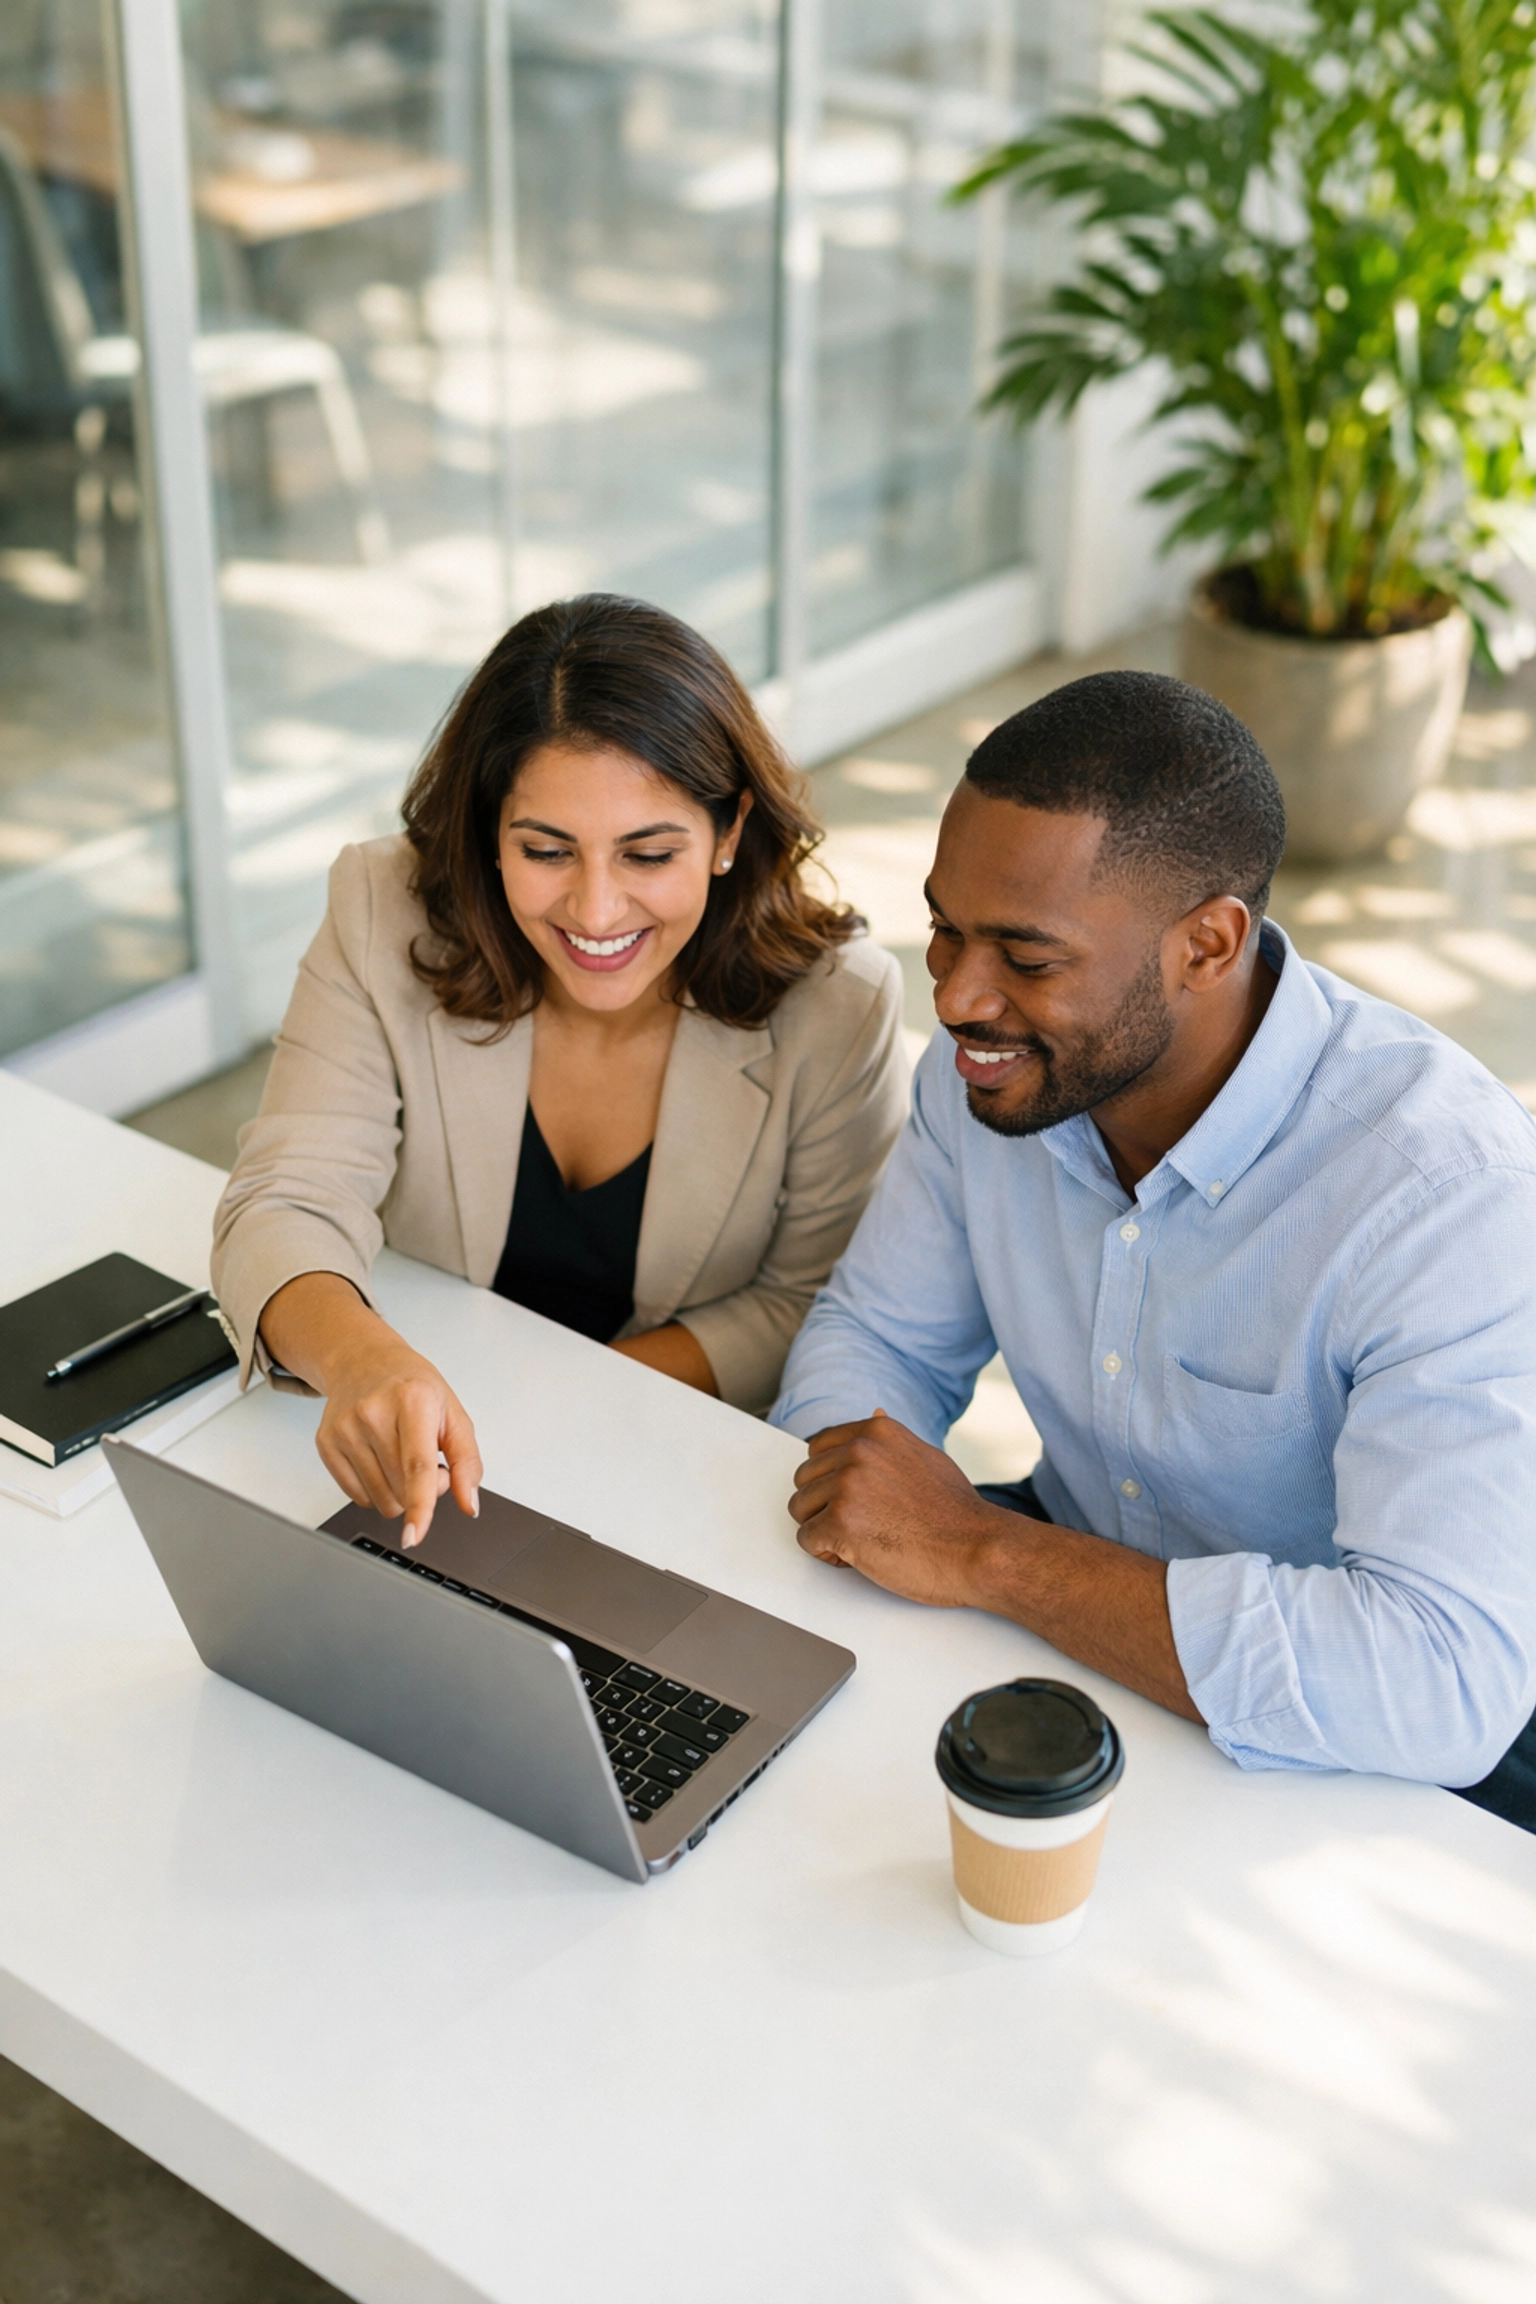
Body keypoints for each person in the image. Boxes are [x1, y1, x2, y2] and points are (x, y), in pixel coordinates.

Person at [771, 669, 1536, 1828]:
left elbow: (1438, 1680)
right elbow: (880, 1338)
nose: (960, 998)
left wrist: (984, 1553)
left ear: (1209, 945)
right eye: (944, 931)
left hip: (1371, 1740)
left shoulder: (1448, 1198)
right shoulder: (994, 1074)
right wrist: (858, 1505)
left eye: (1029, 960)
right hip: (1067, 1599)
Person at [213, 593, 906, 1550]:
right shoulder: (381, 909)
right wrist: (359, 1358)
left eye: (648, 854)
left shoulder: (839, 1004)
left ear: (729, 832)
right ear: (488, 831)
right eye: (545, 850)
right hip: (419, 1468)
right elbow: (285, 1198)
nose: (596, 909)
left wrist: (548, 1403)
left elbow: (809, 1303)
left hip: (662, 1478)